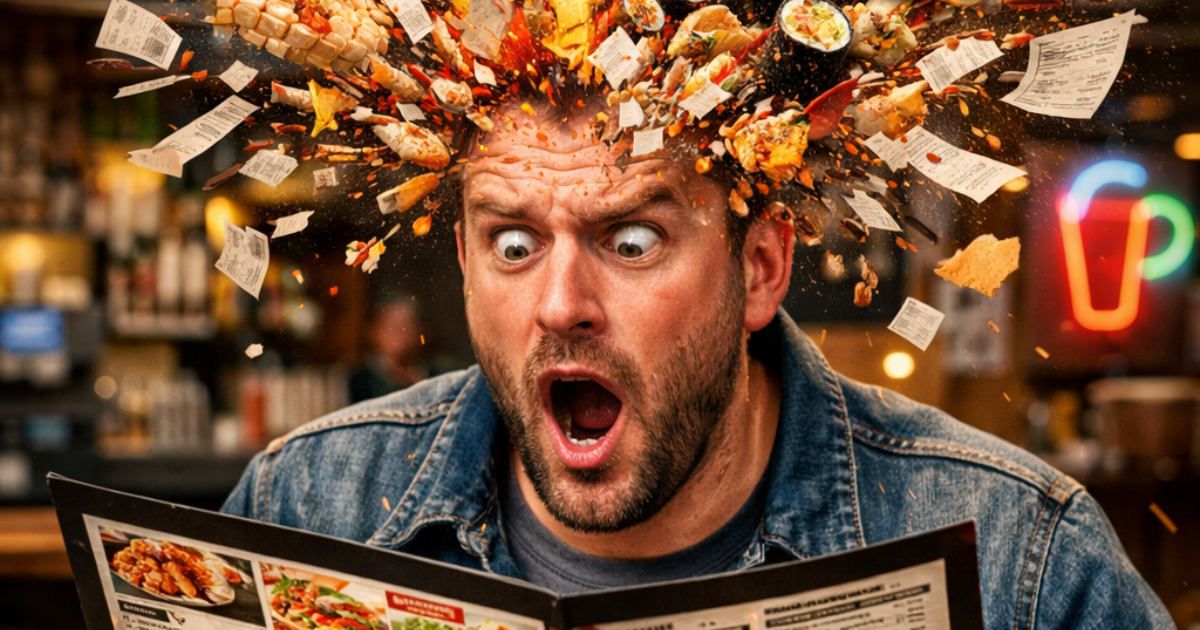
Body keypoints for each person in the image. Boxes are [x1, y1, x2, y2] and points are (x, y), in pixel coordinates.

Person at [223, 93, 1173, 629]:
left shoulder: (1021, 559)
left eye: (632, 241)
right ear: (465, 265)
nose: (560, 305)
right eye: (514, 245)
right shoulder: (308, 507)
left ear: (759, 268)